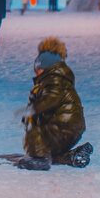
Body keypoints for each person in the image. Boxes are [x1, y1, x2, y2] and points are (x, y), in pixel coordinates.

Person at [17, 37, 92, 170]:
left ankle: (39, 160)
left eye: (38, 69)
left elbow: (50, 100)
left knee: (34, 135)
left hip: (63, 127)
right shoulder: (60, 80)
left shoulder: (53, 82)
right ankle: (72, 157)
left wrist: (33, 109)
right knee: (49, 150)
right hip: (71, 128)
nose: (36, 72)